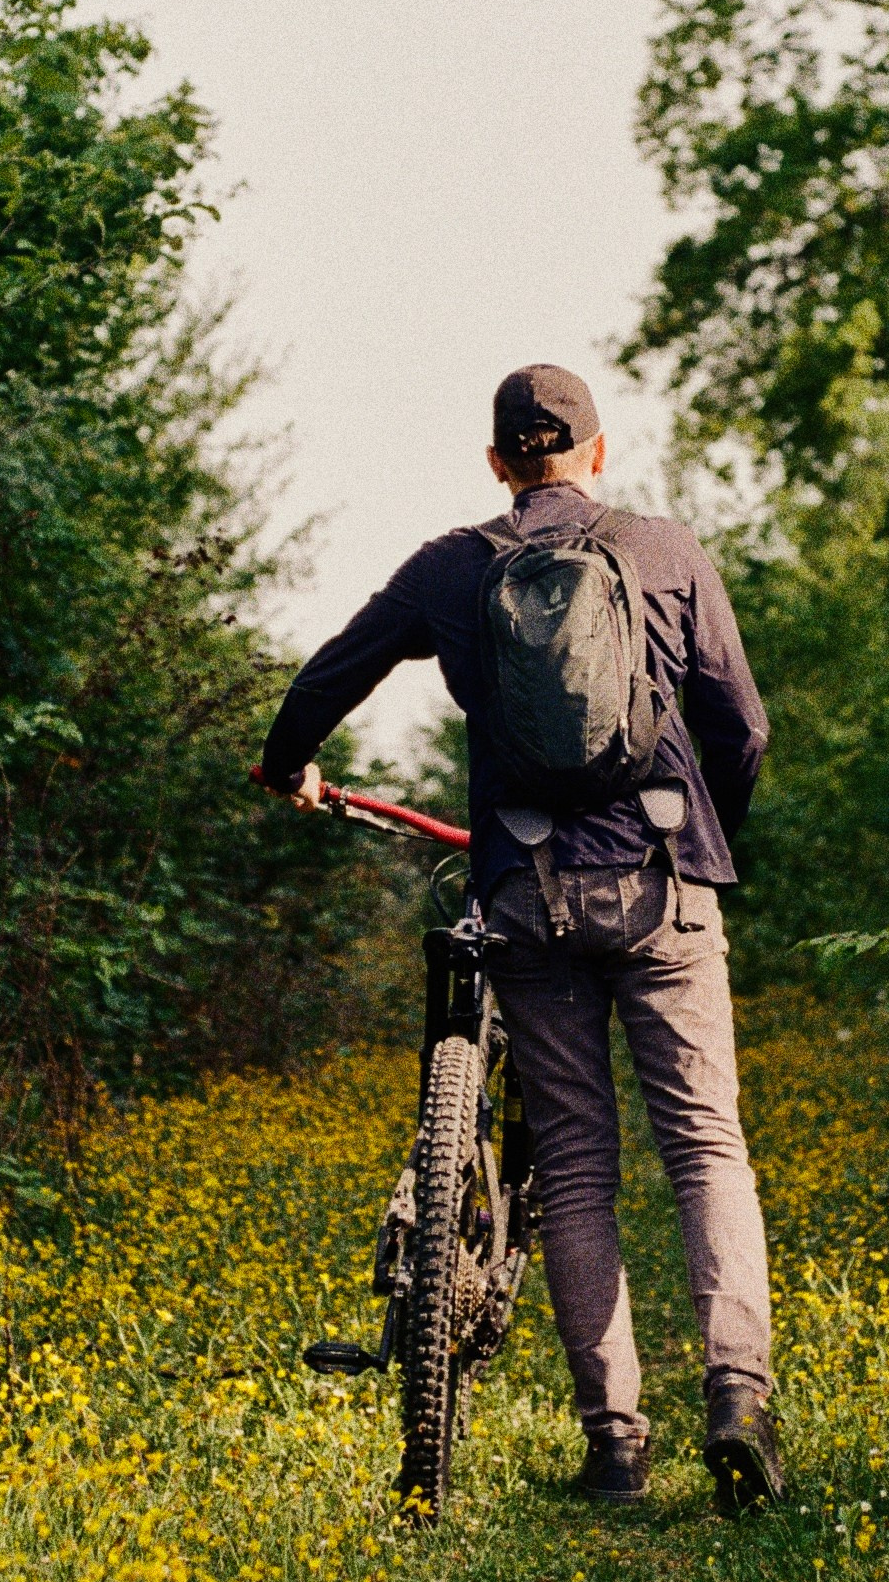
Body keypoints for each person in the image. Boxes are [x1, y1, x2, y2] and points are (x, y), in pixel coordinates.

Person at [257, 363, 785, 1512]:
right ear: (596, 452)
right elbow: (738, 724)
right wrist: (701, 842)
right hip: (663, 885)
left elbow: (328, 673)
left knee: (580, 1170)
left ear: (498, 462)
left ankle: (615, 1445)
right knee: (703, 1147)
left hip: (530, 894)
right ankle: (737, 1400)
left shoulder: (454, 566)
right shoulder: (663, 550)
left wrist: (287, 762)